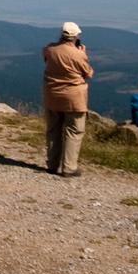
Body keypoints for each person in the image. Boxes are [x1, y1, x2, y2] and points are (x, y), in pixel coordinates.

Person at [43, 21, 94, 177]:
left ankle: (52, 164)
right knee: (74, 131)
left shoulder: (49, 49)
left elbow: (46, 58)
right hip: (73, 97)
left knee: (53, 130)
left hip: (52, 94)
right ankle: (69, 167)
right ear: (76, 36)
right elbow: (88, 73)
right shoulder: (78, 54)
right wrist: (83, 54)